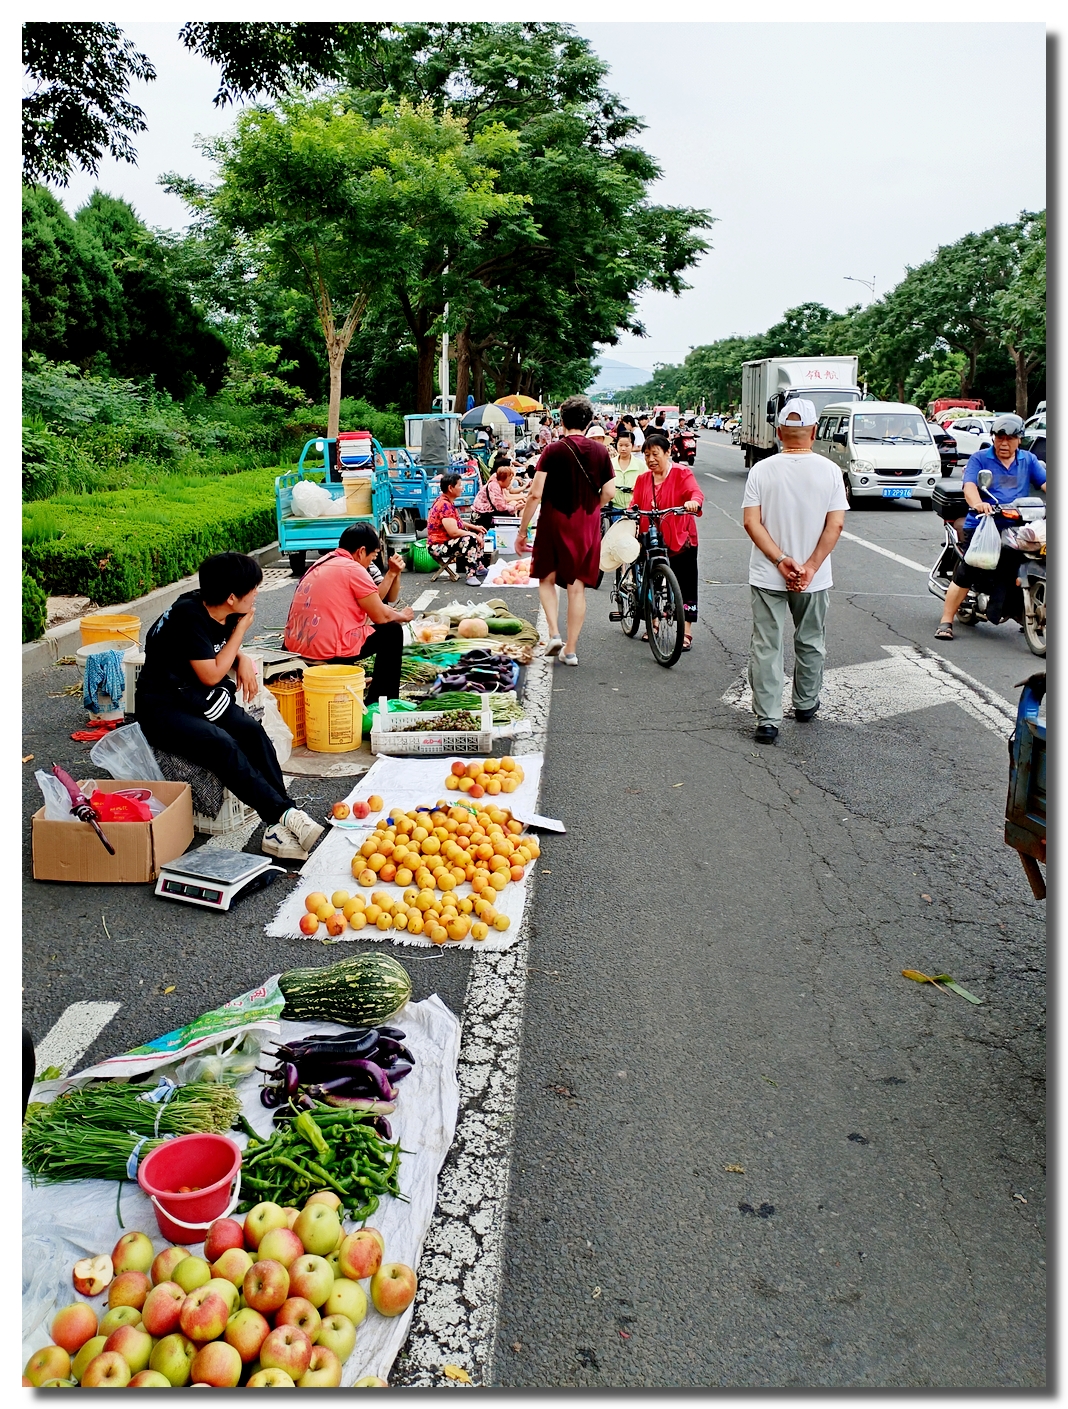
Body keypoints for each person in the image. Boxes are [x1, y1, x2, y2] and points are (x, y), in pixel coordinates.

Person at [136, 552, 326, 862]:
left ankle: (279, 820)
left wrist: (242, 658)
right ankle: (285, 815)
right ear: (231, 597)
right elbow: (211, 674)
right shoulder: (189, 615)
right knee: (221, 743)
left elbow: (215, 654)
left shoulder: (221, 609)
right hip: (163, 706)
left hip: (195, 694)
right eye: (253, 589)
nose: (257, 594)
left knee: (251, 731)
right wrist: (240, 634)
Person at [741, 400, 847, 744]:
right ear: (814, 432)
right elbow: (836, 524)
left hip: (768, 574)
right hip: (814, 578)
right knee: (811, 639)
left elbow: (751, 522)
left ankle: (768, 721)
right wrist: (811, 566)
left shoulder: (762, 470)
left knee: (767, 645)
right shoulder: (830, 471)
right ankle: (804, 703)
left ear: (777, 433)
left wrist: (780, 560)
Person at [514, 393, 616, 665]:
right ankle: (570, 650)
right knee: (577, 586)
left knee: (547, 577)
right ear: (587, 421)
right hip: (587, 522)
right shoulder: (601, 451)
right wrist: (592, 505)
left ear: (562, 421)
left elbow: (535, 493)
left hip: (554, 518)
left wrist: (522, 530)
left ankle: (554, 633)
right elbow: (609, 491)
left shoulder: (553, 450)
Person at [935, 412, 1047, 640]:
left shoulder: (1028, 460)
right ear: (994, 437)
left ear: (1019, 439)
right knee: (969, 570)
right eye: (1000, 437)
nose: (1004, 443)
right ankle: (946, 621)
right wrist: (978, 504)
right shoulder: (980, 459)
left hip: (1017, 527)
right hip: (984, 525)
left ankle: (1017, 607)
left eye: (1010, 438)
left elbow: (1045, 483)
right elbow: (969, 486)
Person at [284, 523, 413, 702]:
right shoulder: (354, 569)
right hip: (325, 652)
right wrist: (402, 616)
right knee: (392, 632)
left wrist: (393, 576)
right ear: (361, 551)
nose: (371, 562)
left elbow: (378, 603)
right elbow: (380, 616)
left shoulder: (321, 562)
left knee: (357, 626)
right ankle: (382, 701)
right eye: (373, 556)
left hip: (293, 648)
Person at [629, 430, 704, 650]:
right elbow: (634, 503)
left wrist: (693, 503)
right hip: (651, 538)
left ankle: (686, 632)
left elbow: (695, 494)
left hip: (680, 537)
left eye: (655, 454)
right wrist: (630, 512)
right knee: (647, 579)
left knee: (686, 583)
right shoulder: (643, 479)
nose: (651, 459)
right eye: (646, 455)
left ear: (668, 452)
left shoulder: (682, 473)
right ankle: (652, 623)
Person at [426, 471, 488, 584]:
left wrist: (475, 528)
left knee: (479, 532)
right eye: (459, 485)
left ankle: (479, 566)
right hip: (438, 546)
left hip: (447, 542)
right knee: (470, 539)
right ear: (450, 488)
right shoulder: (444, 505)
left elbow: (457, 522)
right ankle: (471, 574)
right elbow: (453, 532)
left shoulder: (446, 502)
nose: (462, 488)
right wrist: (473, 534)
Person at [470, 456, 526, 525]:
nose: (510, 482)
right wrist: (516, 507)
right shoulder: (494, 486)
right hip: (481, 516)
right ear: (503, 479)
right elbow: (501, 507)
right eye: (509, 480)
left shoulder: (497, 484)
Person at [610, 429, 643, 509]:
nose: (623, 449)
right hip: (614, 509)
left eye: (627, 445)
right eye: (620, 445)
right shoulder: (609, 464)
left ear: (633, 445)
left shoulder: (641, 465)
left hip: (635, 509)